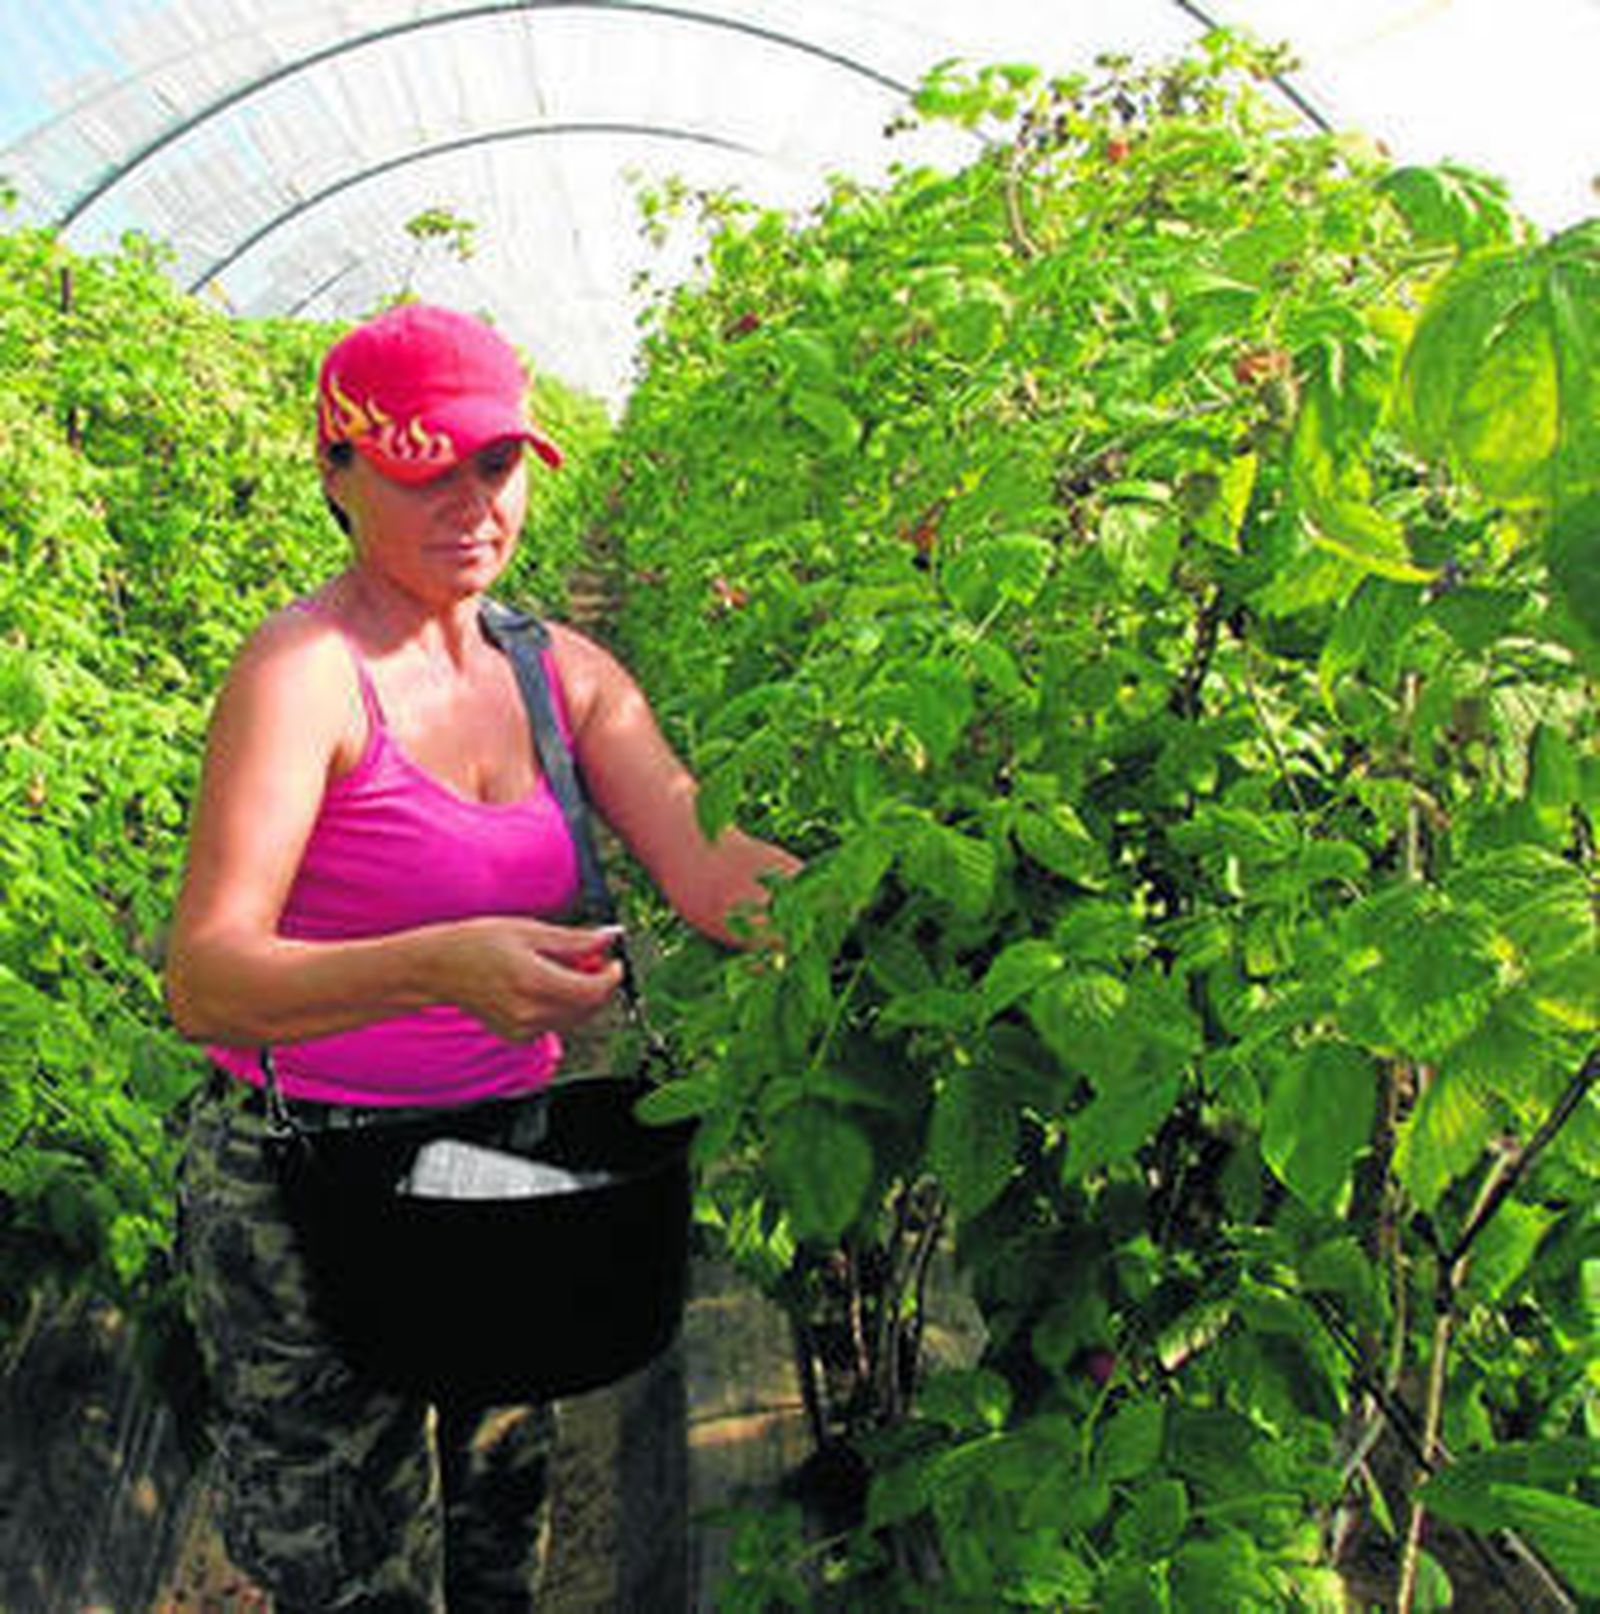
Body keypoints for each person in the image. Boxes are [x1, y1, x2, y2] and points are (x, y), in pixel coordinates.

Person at [165, 302, 799, 1612]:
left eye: (495, 463)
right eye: (421, 465)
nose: (470, 501)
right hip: (307, 1175)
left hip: (499, 1155)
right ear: (337, 469)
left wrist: (901, 906)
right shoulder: (306, 676)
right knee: (353, 1555)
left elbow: (707, 867)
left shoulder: (561, 671)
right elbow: (207, 978)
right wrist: (437, 967)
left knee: (501, 1503)